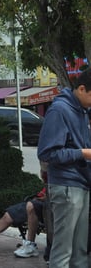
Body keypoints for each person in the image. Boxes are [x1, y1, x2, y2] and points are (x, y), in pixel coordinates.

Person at [37, 68, 91, 268]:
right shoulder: (60, 110)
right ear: (82, 89)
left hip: (81, 184)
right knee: (63, 251)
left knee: (79, 252)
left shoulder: (82, 110)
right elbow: (47, 153)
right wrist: (83, 153)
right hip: (67, 185)